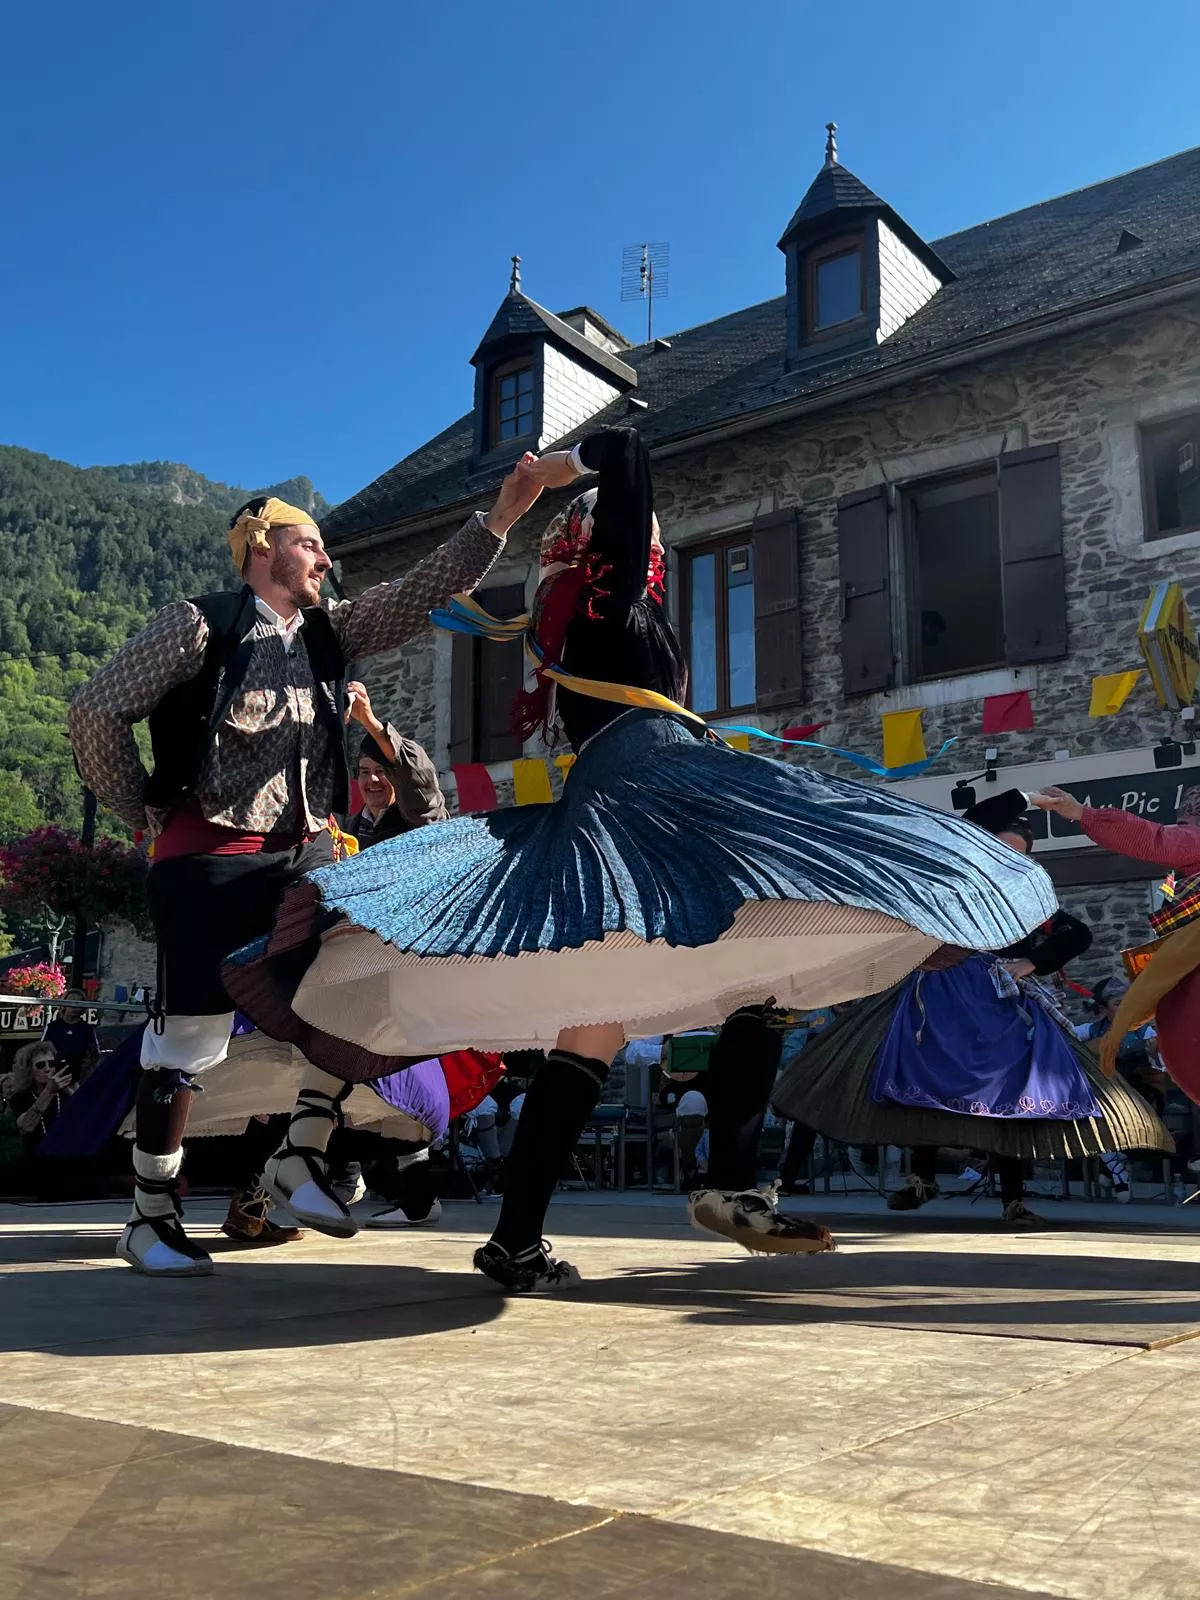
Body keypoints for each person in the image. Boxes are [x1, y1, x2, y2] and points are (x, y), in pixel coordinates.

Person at [224, 427, 1057, 1292]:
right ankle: (728, 1183)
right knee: (776, 936)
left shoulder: (587, 630)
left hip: (621, 805)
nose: (654, 541)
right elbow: (626, 449)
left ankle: (521, 1239)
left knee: (612, 1021)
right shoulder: (611, 605)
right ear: (604, 549)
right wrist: (560, 472)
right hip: (667, 790)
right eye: (646, 536)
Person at [68, 473, 535, 1278]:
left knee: (356, 981)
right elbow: (94, 709)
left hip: (309, 849)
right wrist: (139, 807)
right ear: (260, 544)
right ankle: (149, 1218)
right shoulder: (197, 625)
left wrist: (499, 514)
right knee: (191, 1038)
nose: (324, 555)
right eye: (308, 540)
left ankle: (301, 1154)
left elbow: (423, 587)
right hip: (209, 854)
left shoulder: (332, 632)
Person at [772, 791, 1171, 1227]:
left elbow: (1077, 934)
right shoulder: (956, 877)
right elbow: (974, 818)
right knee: (923, 1079)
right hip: (937, 993)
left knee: (1010, 1092)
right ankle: (921, 1177)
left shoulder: (1030, 897)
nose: (1007, 857)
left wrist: (1031, 962)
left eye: (1018, 852)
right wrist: (1030, 798)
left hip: (995, 1002)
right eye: (999, 846)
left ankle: (1013, 1198)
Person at [1032, 786, 1200, 1102]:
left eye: (1185, 820)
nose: (1181, 827)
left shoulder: (1194, 842)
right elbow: (1167, 897)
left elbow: (1155, 839)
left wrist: (1082, 813)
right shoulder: (1173, 877)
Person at [340, 681, 448, 846]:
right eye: (365, 772)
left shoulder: (418, 818)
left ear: (396, 775)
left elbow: (415, 774)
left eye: (380, 771)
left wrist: (370, 723)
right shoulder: (349, 832)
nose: (373, 779)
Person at [42, 992, 101, 1083]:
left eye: (78, 1002)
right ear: (64, 1004)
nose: (74, 1005)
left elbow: (94, 1055)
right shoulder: (53, 1027)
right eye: (71, 1001)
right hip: (54, 1076)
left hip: (79, 1077)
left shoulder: (87, 1029)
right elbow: (42, 1051)